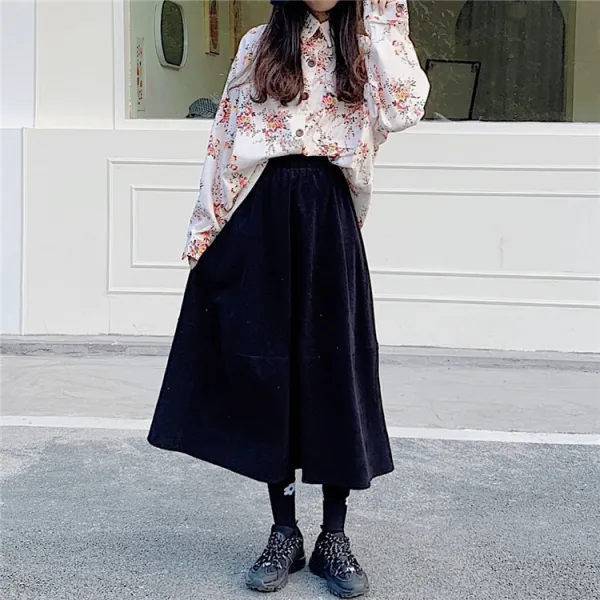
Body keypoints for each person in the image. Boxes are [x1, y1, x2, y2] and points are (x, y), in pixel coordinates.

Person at [148, 0, 429, 597]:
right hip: (261, 216)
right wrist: (206, 229)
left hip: (328, 218)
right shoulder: (259, 43)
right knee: (268, 374)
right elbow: (225, 140)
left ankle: (334, 536)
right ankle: (284, 531)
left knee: (334, 374)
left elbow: (405, 107)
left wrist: (382, 20)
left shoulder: (368, 45)